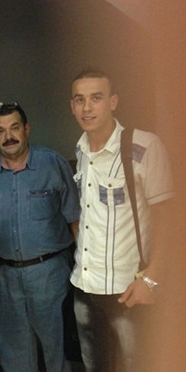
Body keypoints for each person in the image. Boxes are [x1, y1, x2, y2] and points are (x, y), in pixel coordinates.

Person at [69, 67, 173, 371]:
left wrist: (151, 279)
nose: (87, 108)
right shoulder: (81, 150)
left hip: (129, 290)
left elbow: (168, 221)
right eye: (80, 100)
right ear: (72, 106)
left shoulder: (143, 146)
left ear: (113, 102)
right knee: (95, 366)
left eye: (96, 98)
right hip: (85, 287)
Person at [0, 103, 80, 372]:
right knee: (14, 357)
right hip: (4, 277)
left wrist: (84, 264)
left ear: (26, 129)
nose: (8, 136)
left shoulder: (53, 163)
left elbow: (75, 219)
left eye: (14, 128)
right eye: (0, 131)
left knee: (59, 350)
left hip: (50, 274)